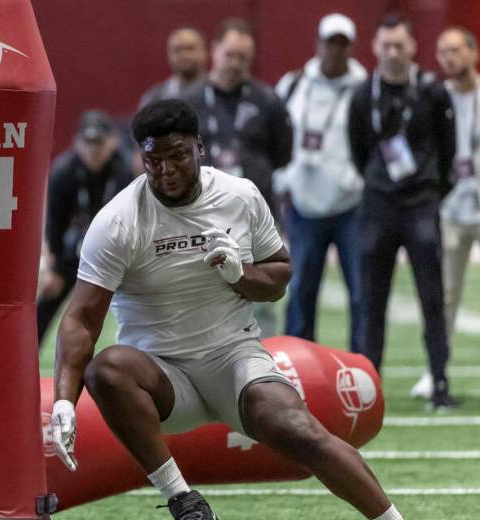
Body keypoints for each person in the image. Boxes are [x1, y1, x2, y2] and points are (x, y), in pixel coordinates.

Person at [48, 98, 450, 520]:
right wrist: (64, 400)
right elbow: (82, 318)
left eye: (177, 156)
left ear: (200, 148)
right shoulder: (119, 220)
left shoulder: (238, 195)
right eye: (154, 161)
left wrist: (241, 274)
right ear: (141, 159)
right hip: (161, 375)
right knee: (106, 369)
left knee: (302, 432)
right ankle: (186, 503)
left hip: (232, 356)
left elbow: (280, 275)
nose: (167, 171)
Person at [348, 14, 457, 411]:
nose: (393, 53)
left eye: (400, 45)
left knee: (432, 298)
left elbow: (449, 151)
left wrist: (431, 189)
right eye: (386, 46)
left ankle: (440, 382)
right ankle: (367, 386)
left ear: (413, 47)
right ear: (376, 47)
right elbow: (358, 150)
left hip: (421, 205)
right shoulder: (363, 95)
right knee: (371, 300)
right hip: (378, 206)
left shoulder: (432, 92)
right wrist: (379, 182)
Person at [411, 27, 480, 401]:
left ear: (473, 53)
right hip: (450, 205)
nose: (448, 58)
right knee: (444, 294)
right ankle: (437, 370)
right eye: (442, 52)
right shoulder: (434, 97)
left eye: (456, 50)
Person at [185, 18, 292, 337]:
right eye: (229, 55)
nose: (235, 64)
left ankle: (267, 366)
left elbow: (282, 155)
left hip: (254, 214)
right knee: (198, 294)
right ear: (214, 51)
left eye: (243, 58)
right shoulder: (189, 101)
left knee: (261, 297)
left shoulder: (267, 101)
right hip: (200, 214)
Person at [275, 13, 366, 353]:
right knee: (300, 292)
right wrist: (285, 181)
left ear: (351, 48)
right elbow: (279, 136)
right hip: (304, 204)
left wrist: (358, 181)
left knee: (360, 292)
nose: (336, 50)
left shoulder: (364, 88)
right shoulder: (294, 85)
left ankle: (363, 366)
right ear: (318, 44)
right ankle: (297, 365)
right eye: (331, 42)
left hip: (351, 205)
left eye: (343, 44)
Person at [37, 110, 133, 342]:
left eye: (99, 142)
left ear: (112, 142)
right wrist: (52, 269)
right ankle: (24, 361)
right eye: (87, 142)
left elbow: (133, 221)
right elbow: (53, 225)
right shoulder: (64, 172)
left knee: (139, 303)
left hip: (114, 254)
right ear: (76, 142)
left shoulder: (124, 173)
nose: (93, 149)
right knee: (48, 296)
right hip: (71, 254)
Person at [138, 28, 208, 109]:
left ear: (204, 52)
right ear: (169, 55)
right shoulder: (154, 98)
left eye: (190, 48)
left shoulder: (218, 93)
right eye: (177, 50)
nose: (184, 55)